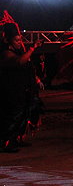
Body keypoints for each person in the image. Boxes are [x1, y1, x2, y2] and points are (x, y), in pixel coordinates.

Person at [0, 23, 44, 152]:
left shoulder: (19, 51)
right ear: (8, 40)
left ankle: (17, 138)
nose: (19, 42)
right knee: (13, 116)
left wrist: (37, 79)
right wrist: (32, 49)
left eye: (20, 40)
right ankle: (6, 142)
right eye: (16, 40)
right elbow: (19, 62)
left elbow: (28, 66)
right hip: (11, 90)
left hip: (24, 89)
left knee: (25, 114)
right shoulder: (5, 53)